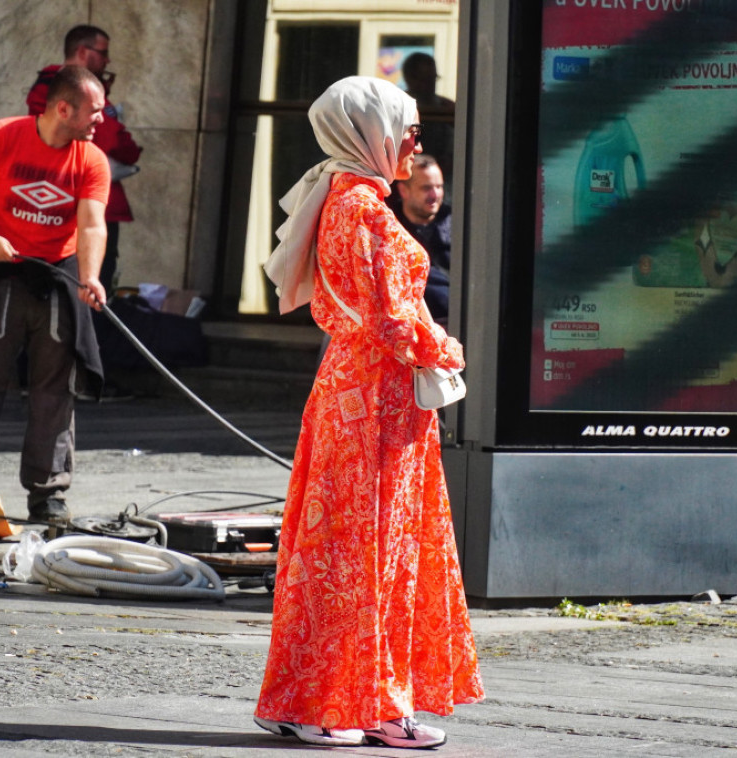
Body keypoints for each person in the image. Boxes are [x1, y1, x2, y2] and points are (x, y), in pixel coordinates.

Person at [255, 76, 483, 748]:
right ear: (370, 133)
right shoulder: (366, 209)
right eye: (406, 128)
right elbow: (392, 321)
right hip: (380, 399)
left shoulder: (337, 195)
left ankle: (310, 700)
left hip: (347, 390)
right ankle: (371, 705)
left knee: (329, 552)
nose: (416, 141)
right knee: (376, 552)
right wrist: (443, 345)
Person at [0, 65, 109, 524]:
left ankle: (48, 495)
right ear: (64, 108)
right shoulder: (1, 137)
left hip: (58, 279)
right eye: (95, 110)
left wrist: (90, 276)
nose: (101, 120)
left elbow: (92, 223)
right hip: (0, 275)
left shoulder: (91, 159)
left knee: (56, 391)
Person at [27, 25, 141, 299]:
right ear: (81, 51)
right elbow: (116, 141)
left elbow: (125, 146)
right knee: (65, 292)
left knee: (95, 289)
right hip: (62, 199)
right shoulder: (50, 89)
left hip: (93, 200)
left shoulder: (85, 93)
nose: (107, 60)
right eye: (102, 53)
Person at [390, 154, 451, 325]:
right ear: (404, 191)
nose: (435, 194)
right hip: (408, 326)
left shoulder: (459, 222)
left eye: (439, 187)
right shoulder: (389, 226)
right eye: (426, 188)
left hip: (458, 322)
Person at [401, 52, 454, 199]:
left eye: (432, 79)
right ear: (409, 78)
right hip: (404, 182)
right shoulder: (397, 108)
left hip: (442, 180)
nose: (428, 86)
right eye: (423, 79)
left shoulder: (447, 109)